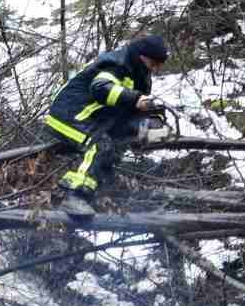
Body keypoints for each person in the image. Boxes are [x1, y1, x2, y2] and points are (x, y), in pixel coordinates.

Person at [47, 34, 168, 217]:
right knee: (100, 145)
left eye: (159, 65)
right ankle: (73, 196)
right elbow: (100, 88)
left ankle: (98, 190)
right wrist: (135, 99)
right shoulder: (117, 64)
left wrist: (153, 123)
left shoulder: (141, 76)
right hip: (70, 114)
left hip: (95, 117)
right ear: (142, 56)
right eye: (153, 64)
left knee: (117, 145)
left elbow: (135, 108)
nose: (155, 69)